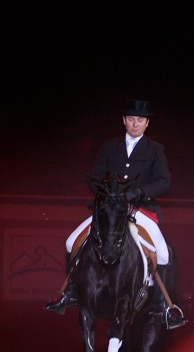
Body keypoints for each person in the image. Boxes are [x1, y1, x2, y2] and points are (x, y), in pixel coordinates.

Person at [44, 99, 186, 329]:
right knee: (71, 242)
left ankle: (164, 306)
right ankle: (69, 293)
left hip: (141, 210)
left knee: (162, 253)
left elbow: (164, 181)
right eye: (131, 119)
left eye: (140, 120)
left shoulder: (155, 150)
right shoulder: (109, 147)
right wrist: (108, 194)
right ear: (124, 121)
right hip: (110, 211)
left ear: (146, 123)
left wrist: (140, 192)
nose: (135, 124)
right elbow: (97, 176)